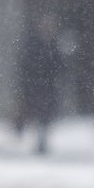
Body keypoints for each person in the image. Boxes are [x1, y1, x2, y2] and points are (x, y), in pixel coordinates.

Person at [16, 13, 64, 155]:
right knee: (37, 112)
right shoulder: (34, 45)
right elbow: (26, 65)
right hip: (36, 85)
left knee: (46, 114)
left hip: (49, 86)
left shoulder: (54, 45)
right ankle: (38, 136)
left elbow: (59, 66)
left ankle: (42, 138)